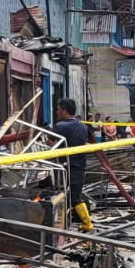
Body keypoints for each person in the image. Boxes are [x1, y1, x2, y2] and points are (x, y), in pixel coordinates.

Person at [54, 97, 93, 231]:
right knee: (75, 195)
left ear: (64, 111)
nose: (57, 112)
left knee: (66, 196)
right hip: (80, 166)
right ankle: (77, 223)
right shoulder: (83, 126)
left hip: (65, 167)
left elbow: (51, 143)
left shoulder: (60, 126)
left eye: (58, 110)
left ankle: (87, 223)